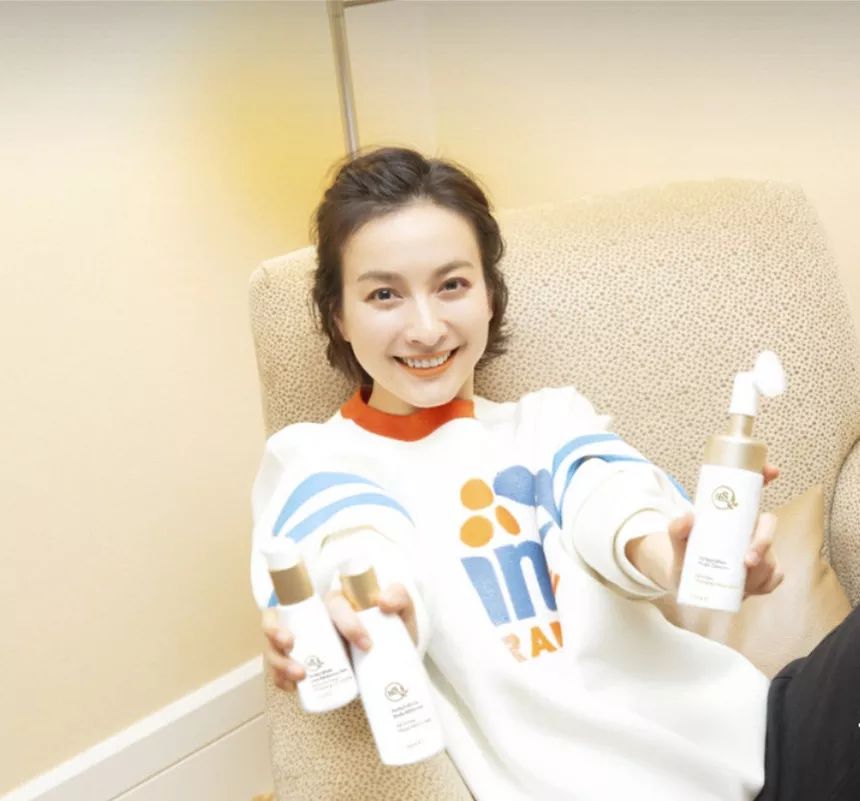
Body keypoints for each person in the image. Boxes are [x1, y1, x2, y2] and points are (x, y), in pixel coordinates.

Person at [252, 146, 860, 801]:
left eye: (452, 285)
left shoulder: (551, 421)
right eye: (384, 295)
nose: (426, 328)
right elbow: (352, 544)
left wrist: (674, 558)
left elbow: (611, 504)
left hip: (774, 739)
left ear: (489, 296)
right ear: (339, 315)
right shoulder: (318, 459)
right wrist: (369, 617)